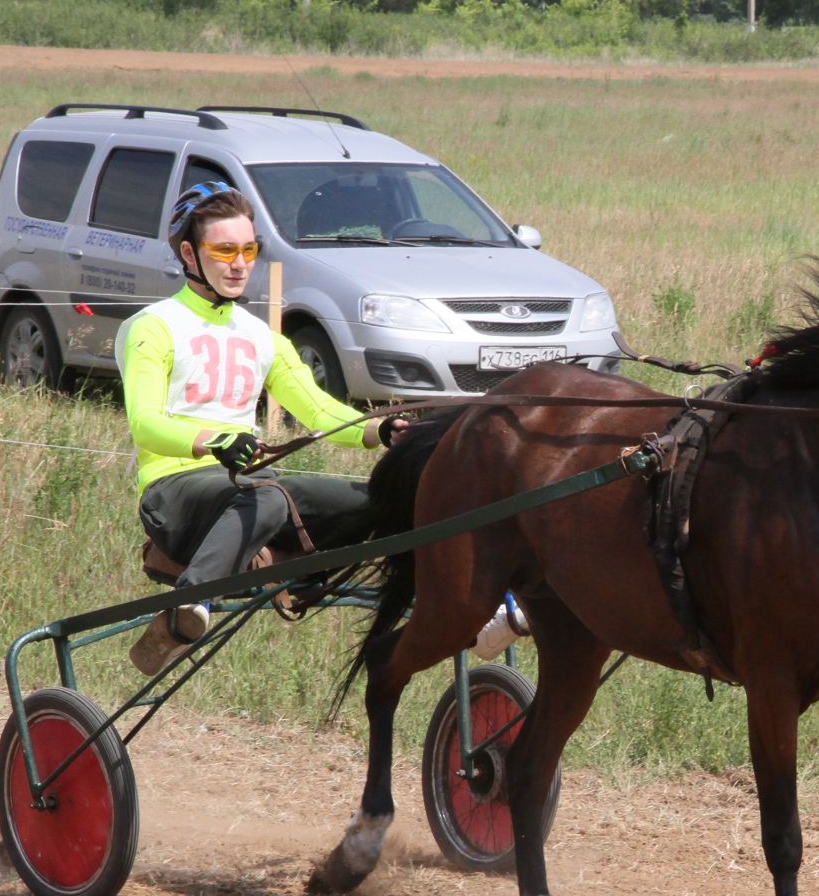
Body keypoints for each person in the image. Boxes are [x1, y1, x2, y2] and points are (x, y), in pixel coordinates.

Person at [120, 182, 525, 673]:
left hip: (245, 489)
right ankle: (189, 606)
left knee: (391, 501)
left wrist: (380, 431)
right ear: (189, 252)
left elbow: (318, 410)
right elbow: (145, 424)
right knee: (266, 495)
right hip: (173, 496)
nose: (239, 263)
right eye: (224, 250)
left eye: (249, 249)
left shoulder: (258, 336)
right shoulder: (153, 326)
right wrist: (214, 440)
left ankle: (475, 611)